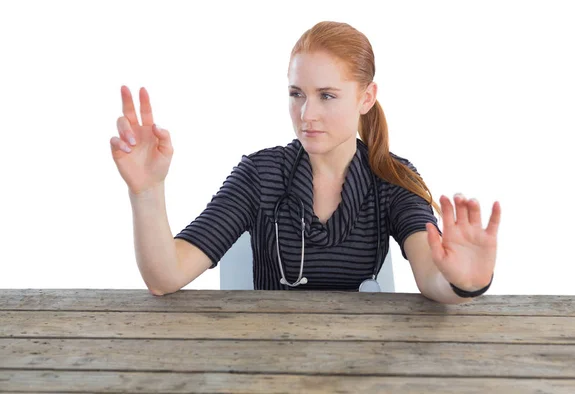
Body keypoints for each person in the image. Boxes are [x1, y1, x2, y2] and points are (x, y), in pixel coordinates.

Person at [110, 21, 501, 303]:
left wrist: (463, 284)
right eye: (297, 93)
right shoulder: (259, 175)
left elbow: (431, 277)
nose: (306, 113)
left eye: (327, 95)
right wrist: (147, 190)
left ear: (366, 98)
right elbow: (166, 276)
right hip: (269, 363)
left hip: (362, 366)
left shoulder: (392, 179)